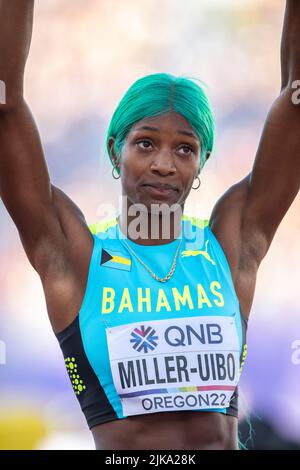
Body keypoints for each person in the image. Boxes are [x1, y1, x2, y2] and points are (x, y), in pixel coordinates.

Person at [0, 0, 299, 451]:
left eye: (185, 149)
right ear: (114, 150)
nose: (164, 164)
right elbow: (4, 104)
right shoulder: (73, 257)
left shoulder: (230, 247)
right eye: (145, 143)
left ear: (201, 164)